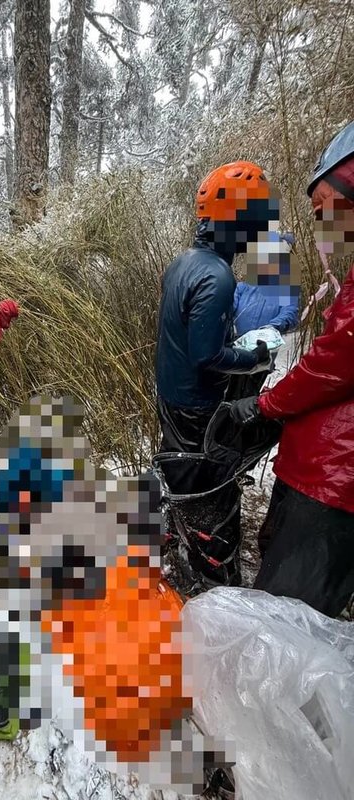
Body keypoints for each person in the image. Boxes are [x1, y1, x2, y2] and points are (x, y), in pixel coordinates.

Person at [229, 121, 354, 618]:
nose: (321, 219)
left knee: (288, 619)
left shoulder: (287, 287)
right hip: (317, 471)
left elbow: (335, 359)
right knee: (281, 611)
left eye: (325, 204)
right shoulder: (246, 283)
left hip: (332, 482)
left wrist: (266, 403)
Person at [156, 161, 275, 457]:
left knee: (179, 471)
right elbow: (206, 356)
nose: (264, 226)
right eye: (259, 215)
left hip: (173, 398)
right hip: (196, 407)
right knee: (203, 484)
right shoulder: (217, 276)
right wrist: (254, 359)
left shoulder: (183, 262)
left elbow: (188, 335)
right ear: (238, 219)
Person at [225, 231, 299, 401]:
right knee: (228, 394)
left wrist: (271, 328)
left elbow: (290, 313)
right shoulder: (244, 286)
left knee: (247, 397)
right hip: (235, 349)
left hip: (262, 354)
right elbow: (229, 306)